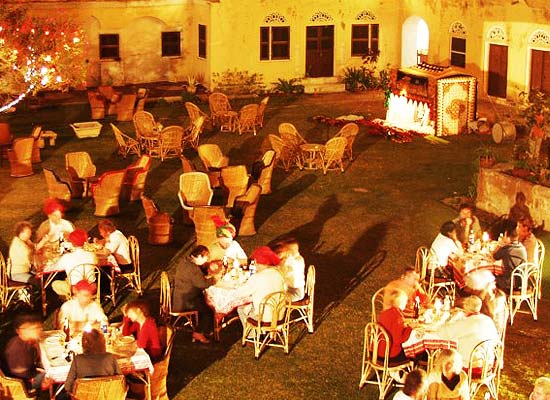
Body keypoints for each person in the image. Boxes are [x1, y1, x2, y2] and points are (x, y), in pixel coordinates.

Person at [434, 296, 498, 365]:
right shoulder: (488, 320)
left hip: (468, 363)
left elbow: (443, 333)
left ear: (466, 306)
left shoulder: (466, 322)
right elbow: (496, 341)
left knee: (441, 357)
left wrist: (444, 321)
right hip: (487, 362)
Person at [172, 245, 215, 344]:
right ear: (199, 256)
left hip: (179, 295)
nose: (207, 260)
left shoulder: (185, 261)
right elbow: (202, 284)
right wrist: (214, 279)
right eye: (205, 257)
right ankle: (199, 332)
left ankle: (207, 328)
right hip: (185, 301)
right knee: (209, 309)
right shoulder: (193, 269)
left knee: (204, 299)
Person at [235, 246, 285, 328]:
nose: (255, 265)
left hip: (264, 318)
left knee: (240, 309)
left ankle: (252, 337)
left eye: (255, 263)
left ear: (259, 263)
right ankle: (268, 334)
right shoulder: (278, 274)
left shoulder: (256, 277)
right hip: (280, 316)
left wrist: (237, 285)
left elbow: (240, 293)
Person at [64, 328, 121, 395]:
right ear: (102, 342)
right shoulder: (110, 357)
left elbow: (68, 387)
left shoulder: (78, 360)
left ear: (84, 343)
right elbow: (120, 381)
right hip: (108, 396)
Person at [2, 314, 48, 391]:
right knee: (52, 375)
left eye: (39, 327)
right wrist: (40, 376)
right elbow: (22, 374)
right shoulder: (17, 348)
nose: (39, 330)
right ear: (20, 331)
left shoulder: (26, 341)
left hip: (28, 372)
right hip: (23, 382)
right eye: (34, 328)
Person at [52, 228, 97, 299]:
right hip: (91, 285)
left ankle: (71, 298)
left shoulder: (67, 257)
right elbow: (96, 263)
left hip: (75, 288)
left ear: (71, 243)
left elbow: (56, 268)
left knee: (55, 284)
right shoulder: (91, 254)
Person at [378, 289, 412, 363]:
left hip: (376, 351)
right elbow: (399, 340)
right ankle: (398, 372)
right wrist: (410, 328)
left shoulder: (385, 312)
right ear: (401, 303)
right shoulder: (398, 318)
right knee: (414, 355)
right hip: (390, 355)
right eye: (406, 302)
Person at [493, 224, 527, 291]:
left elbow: (494, 256)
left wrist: (500, 244)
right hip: (521, 282)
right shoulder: (522, 247)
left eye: (505, 235)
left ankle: (493, 299)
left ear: (508, 237)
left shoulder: (507, 249)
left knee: (488, 277)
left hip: (509, 283)